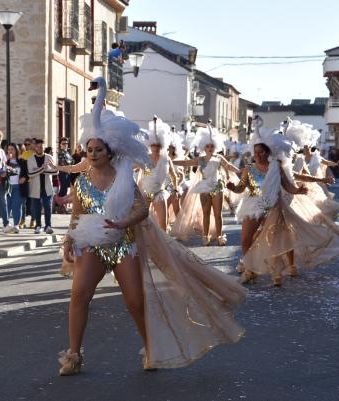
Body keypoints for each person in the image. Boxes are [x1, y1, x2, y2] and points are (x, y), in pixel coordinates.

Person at [59, 76, 246, 376]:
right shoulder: (81, 181)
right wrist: (69, 238)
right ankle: (73, 354)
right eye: (89, 149)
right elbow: (78, 213)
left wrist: (122, 222)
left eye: (98, 150)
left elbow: (142, 208)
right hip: (91, 242)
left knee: (134, 302)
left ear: (111, 152)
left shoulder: (124, 178)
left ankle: (150, 348)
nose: (92, 154)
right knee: (79, 296)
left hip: (123, 243)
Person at [235, 133, 339, 286]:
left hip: (274, 206)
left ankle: (279, 271)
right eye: (255, 152)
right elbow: (240, 187)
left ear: (269, 152)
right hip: (252, 206)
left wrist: (298, 191)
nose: (257, 155)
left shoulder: (277, 166)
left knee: (277, 238)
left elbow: (290, 183)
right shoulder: (249, 168)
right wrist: (233, 188)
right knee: (246, 239)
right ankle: (250, 269)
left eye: (261, 152)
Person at [171, 124, 240, 245]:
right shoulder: (200, 159)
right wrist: (171, 161)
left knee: (218, 214)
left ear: (215, 146)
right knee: (206, 213)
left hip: (217, 187)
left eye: (212, 146)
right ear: (204, 146)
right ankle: (205, 236)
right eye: (207, 146)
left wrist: (241, 171)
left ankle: (219, 237)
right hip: (204, 187)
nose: (210, 148)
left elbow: (228, 166)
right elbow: (186, 163)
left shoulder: (219, 157)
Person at [137, 116, 177, 231]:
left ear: (162, 145)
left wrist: (175, 189)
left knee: (162, 223)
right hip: (145, 193)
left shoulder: (166, 159)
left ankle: (163, 246)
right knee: (142, 223)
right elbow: (132, 167)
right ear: (150, 145)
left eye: (158, 145)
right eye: (153, 145)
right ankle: (146, 244)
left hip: (159, 193)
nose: (156, 148)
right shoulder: (145, 158)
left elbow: (174, 176)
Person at [27, 139, 57, 234]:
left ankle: (48, 226)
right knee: (36, 208)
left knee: (48, 207)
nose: (40, 148)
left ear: (44, 147)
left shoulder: (49, 157)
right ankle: (38, 225)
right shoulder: (30, 159)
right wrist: (42, 168)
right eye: (38, 146)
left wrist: (41, 170)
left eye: (42, 147)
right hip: (35, 188)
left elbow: (56, 171)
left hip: (47, 187)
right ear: (35, 147)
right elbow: (30, 173)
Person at [5, 143, 28, 233]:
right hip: (8, 187)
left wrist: (24, 178)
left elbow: (27, 174)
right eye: (9, 149)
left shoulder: (22, 161)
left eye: (12, 149)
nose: (10, 151)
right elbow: (1, 173)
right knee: (7, 206)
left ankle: (16, 225)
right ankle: (6, 225)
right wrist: (5, 161)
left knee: (16, 207)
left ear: (16, 151)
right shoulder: (5, 162)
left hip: (18, 187)